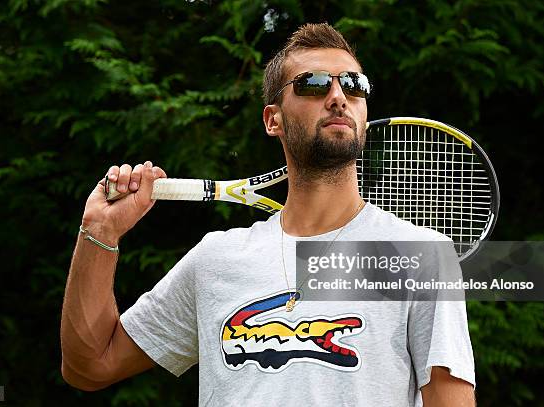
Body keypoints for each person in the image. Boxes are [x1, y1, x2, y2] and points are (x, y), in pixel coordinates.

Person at [61, 23, 476, 406]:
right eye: (312, 84)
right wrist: (99, 232)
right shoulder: (216, 260)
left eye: (353, 84)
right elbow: (91, 365)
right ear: (272, 120)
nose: (337, 97)